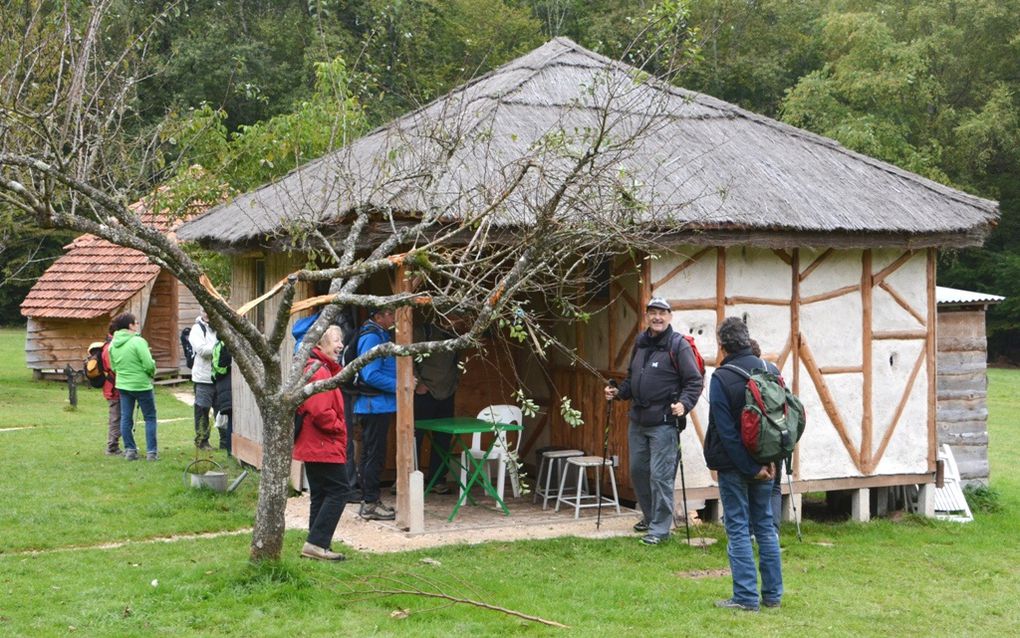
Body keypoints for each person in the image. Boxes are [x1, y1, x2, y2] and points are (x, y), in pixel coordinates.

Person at [604, 297, 704, 545]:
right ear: (646, 316)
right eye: (653, 313)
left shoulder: (677, 345)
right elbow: (632, 377)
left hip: (664, 421)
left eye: (662, 312)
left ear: (670, 316)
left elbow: (694, 381)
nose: (657, 317)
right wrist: (618, 393)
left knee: (660, 476)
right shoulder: (641, 342)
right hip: (638, 419)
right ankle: (650, 518)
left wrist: (685, 404)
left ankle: (660, 529)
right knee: (638, 472)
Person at [705, 318, 782, 611]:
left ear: (722, 344)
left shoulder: (722, 378)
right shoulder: (770, 370)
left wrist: (749, 468)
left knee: (737, 528)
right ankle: (773, 596)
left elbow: (725, 432)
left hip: (736, 467)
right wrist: (771, 462)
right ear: (747, 340)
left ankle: (746, 598)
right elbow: (780, 420)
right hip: (768, 462)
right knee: (765, 526)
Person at [294, 325, 350, 561]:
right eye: (335, 340)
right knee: (339, 490)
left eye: (341, 340)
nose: (340, 345)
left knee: (321, 493)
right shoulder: (319, 371)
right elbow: (319, 411)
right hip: (322, 443)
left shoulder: (320, 367)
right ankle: (317, 542)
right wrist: (339, 426)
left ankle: (315, 543)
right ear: (319, 344)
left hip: (314, 443)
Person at [352, 307, 397, 521]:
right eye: (390, 313)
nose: (394, 317)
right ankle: (370, 503)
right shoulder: (372, 338)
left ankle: (369, 501)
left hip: (378, 405)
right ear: (378, 317)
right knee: (373, 455)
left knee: (372, 453)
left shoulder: (380, 334)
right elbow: (370, 375)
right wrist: (400, 385)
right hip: (374, 406)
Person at [412, 318, 461, 495]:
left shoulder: (456, 336)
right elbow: (407, 357)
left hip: (447, 393)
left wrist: (454, 383)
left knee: (443, 438)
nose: (458, 321)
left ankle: (437, 479)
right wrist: (418, 384)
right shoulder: (423, 332)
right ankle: (408, 478)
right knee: (415, 436)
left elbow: (457, 363)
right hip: (425, 392)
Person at [108, 312, 159, 461]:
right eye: (136, 323)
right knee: (149, 417)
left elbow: (114, 366)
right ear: (130, 325)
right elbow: (148, 364)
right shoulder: (138, 341)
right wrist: (152, 371)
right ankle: (151, 452)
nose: (138, 325)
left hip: (123, 385)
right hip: (141, 384)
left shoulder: (113, 344)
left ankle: (130, 450)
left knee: (126, 418)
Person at [750, 338, 785, 536]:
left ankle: (754, 531)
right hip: (777, 435)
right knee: (774, 486)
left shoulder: (747, 374)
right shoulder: (774, 371)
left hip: (758, 437)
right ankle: (773, 531)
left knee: (757, 485)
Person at [189, 313, 217, 450]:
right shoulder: (197, 329)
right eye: (205, 310)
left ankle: (225, 440)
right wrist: (221, 348)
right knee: (202, 409)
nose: (208, 313)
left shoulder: (220, 326)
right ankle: (202, 440)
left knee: (225, 409)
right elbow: (201, 350)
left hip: (221, 376)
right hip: (203, 378)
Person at [101, 321, 121, 455]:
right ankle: (112, 447)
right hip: (113, 388)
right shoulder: (109, 347)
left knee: (119, 416)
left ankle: (115, 445)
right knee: (115, 417)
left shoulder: (110, 345)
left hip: (115, 387)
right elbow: (113, 367)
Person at [211, 338, 233, 455]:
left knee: (231, 420)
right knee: (231, 420)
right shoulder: (225, 344)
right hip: (227, 386)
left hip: (223, 386)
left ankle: (229, 450)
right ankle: (230, 450)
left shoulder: (218, 345)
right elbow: (220, 368)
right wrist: (231, 368)